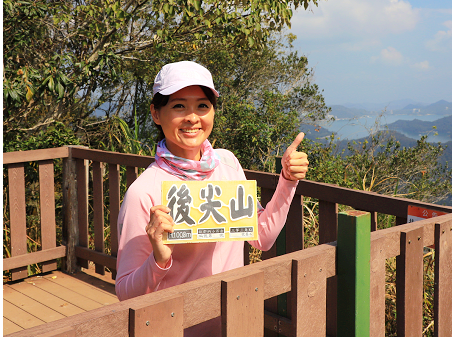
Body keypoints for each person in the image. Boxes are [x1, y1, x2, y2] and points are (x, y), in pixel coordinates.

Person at [115, 61, 309, 334]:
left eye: (202, 106)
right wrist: (158, 260)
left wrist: (288, 181)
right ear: (156, 114)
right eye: (179, 106)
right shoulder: (144, 191)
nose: (193, 117)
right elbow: (125, 293)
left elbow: (262, 237)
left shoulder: (227, 164)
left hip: (236, 320)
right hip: (174, 328)